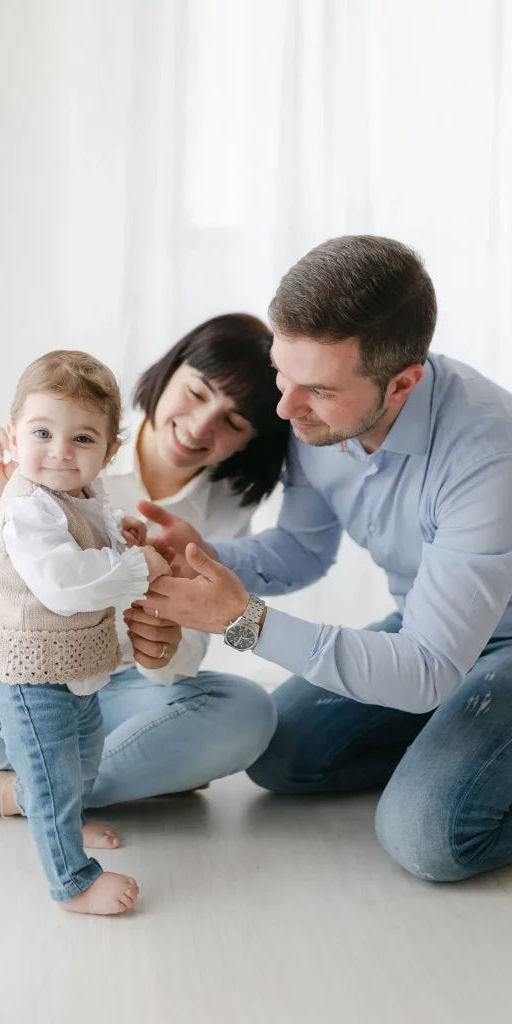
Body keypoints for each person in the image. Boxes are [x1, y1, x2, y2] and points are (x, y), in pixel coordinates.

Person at [141, 235, 512, 884]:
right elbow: (301, 549)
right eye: (282, 374)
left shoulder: (486, 455)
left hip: (482, 644)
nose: (283, 408)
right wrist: (199, 554)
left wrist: (244, 621)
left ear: (401, 384)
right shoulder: (316, 416)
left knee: (425, 837)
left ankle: (455, 775)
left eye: (313, 389)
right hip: (434, 632)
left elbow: (426, 669)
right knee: (277, 753)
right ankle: (462, 756)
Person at [0, 313, 286, 819]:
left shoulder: (227, 509)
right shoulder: (65, 431)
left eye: (234, 421)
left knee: (247, 713)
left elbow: (186, 656)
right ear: (170, 369)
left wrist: (166, 646)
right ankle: (107, 775)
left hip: (118, 693)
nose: (201, 425)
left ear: (250, 441)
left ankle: (5, 792)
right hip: (25, 676)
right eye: (198, 393)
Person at [0, 350, 175, 915]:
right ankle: (73, 882)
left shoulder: (84, 493)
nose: (60, 452)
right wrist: (141, 567)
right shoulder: (27, 508)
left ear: (109, 453)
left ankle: (68, 821)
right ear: (14, 436)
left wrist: (122, 537)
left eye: (83, 439)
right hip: (28, 675)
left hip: (77, 668)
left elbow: (90, 533)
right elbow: (65, 584)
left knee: (83, 762)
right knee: (53, 778)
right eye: (42, 432)